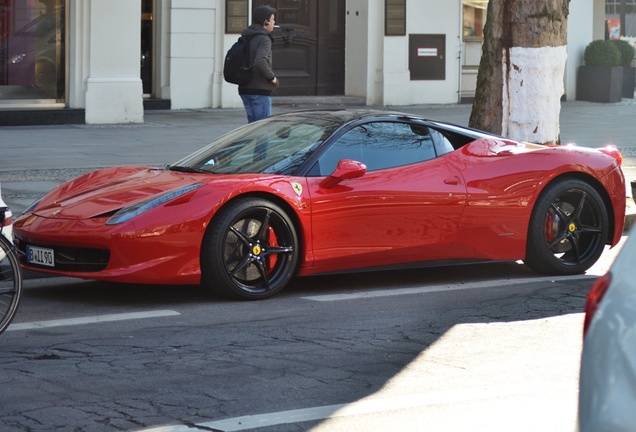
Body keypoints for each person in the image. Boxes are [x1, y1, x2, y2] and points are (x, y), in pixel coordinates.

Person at [239, 5, 279, 123]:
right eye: (272, 19)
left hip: (245, 88)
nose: (274, 22)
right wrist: (272, 78)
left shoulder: (247, 36)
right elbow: (260, 62)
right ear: (265, 22)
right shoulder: (264, 39)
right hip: (259, 89)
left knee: (252, 129)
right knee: (262, 130)